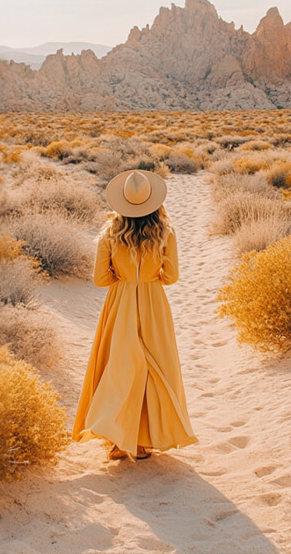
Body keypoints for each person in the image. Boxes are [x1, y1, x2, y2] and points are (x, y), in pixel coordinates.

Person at [73, 170, 198, 461]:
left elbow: (100, 280)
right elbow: (172, 277)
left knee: (120, 367)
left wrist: (122, 274)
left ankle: (119, 439)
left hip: (121, 303)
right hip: (154, 302)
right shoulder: (166, 232)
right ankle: (142, 442)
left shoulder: (110, 233)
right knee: (154, 369)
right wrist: (150, 276)